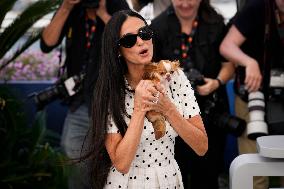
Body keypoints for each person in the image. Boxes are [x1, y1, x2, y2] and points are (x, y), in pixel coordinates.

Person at [86, 9, 208, 189]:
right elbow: (121, 164)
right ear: (117, 49)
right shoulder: (111, 90)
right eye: (129, 40)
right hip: (125, 183)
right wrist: (140, 108)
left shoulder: (174, 76)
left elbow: (201, 146)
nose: (141, 42)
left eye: (144, 33)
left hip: (169, 179)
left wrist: (167, 108)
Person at [40, 0, 129, 188]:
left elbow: (131, 45)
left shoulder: (117, 5)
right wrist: (66, 7)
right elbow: (47, 43)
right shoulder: (73, 8)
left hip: (113, 100)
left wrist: (105, 16)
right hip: (81, 100)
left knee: (116, 161)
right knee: (73, 153)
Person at [150, 0, 235, 188]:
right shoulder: (157, 26)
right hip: (172, 114)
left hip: (210, 111)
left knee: (207, 176)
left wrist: (217, 82)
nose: (185, 4)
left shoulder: (216, 23)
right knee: (172, 176)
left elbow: (228, 66)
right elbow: (148, 69)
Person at [220, 0, 284, 188]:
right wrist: (249, 63)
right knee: (256, 171)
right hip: (253, 95)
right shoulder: (257, 7)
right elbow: (227, 46)